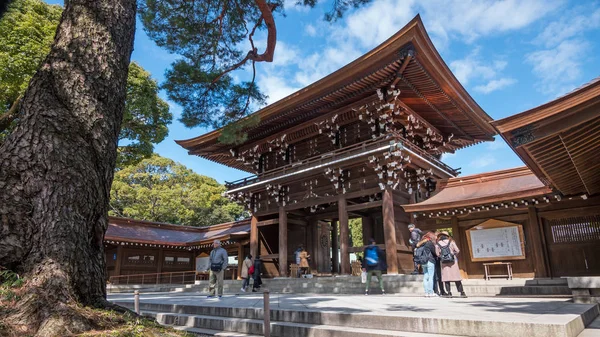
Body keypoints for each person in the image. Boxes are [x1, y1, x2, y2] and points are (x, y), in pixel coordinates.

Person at [436, 231, 467, 298]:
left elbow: (437, 254)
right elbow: (457, 250)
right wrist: (453, 254)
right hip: (453, 261)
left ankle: (449, 292)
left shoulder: (437, 244)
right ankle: (462, 292)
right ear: (447, 236)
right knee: (456, 277)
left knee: (446, 277)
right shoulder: (451, 242)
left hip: (444, 262)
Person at [415, 232, 437, 297]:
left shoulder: (420, 244)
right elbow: (434, 252)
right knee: (431, 277)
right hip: (430, 260)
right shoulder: (429, 243)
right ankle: (431, 292)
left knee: (425, 276)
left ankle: (426, 293)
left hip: (423, 262)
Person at [432, 231, 447, 297]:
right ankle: (438, 290)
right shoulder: (434, 243)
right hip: (435, 260)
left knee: (438, 276)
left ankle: (440, 290)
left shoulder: (435, 242)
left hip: (436, 260)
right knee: (437, 276)